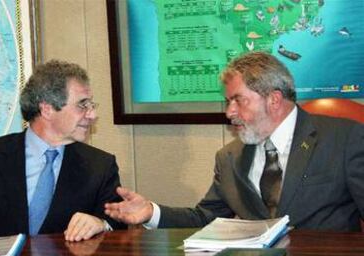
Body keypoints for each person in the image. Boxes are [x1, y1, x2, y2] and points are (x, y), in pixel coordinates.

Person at [105, 52, 364, 231]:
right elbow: (205, 219)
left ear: (273, 99)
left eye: (238, 100)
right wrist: (151, 212)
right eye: (228, 102)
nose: (229, 112)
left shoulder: (345, 139)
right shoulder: (229, 158)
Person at [0, 60, 126, 244]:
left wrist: (101, 223)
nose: (92, 115)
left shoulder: (101, 165)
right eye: (83, 105)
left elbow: (118, 222)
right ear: (47, 109)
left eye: (91, 106)